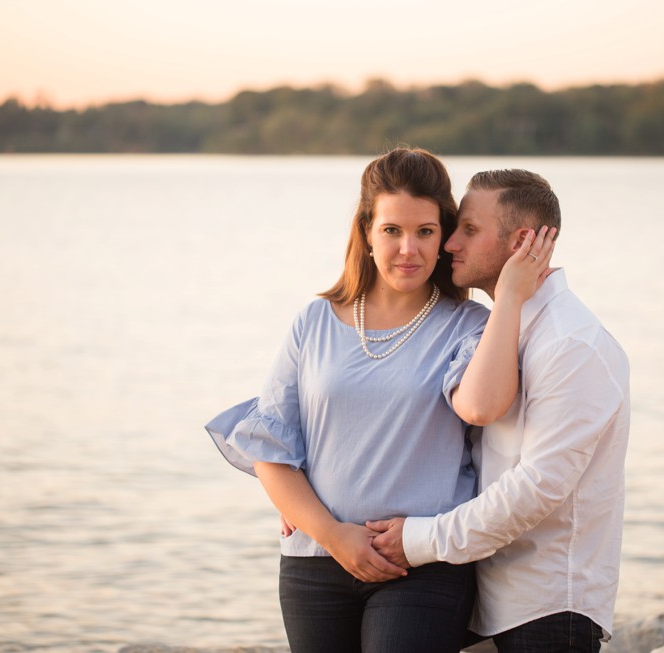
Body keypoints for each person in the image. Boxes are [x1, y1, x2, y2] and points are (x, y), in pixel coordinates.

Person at [205, 149, 555, 653]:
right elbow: (271, 450)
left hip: (420, 566)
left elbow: (488, 405)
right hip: (314, 563)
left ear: (445, 238)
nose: (408, 249)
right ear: (367, 232)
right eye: (392, 230)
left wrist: (510, 298)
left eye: (426, 232)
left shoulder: (471, 326)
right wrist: (330, 533)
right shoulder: (314, 321)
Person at [369, 169, 631, 653]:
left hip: (548, 609)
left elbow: (536, 489)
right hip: (484, 600)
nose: (449, 244)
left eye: (469, 229)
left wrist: (419, 540)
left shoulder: (572, 344)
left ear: (522, 242)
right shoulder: (499, 331)